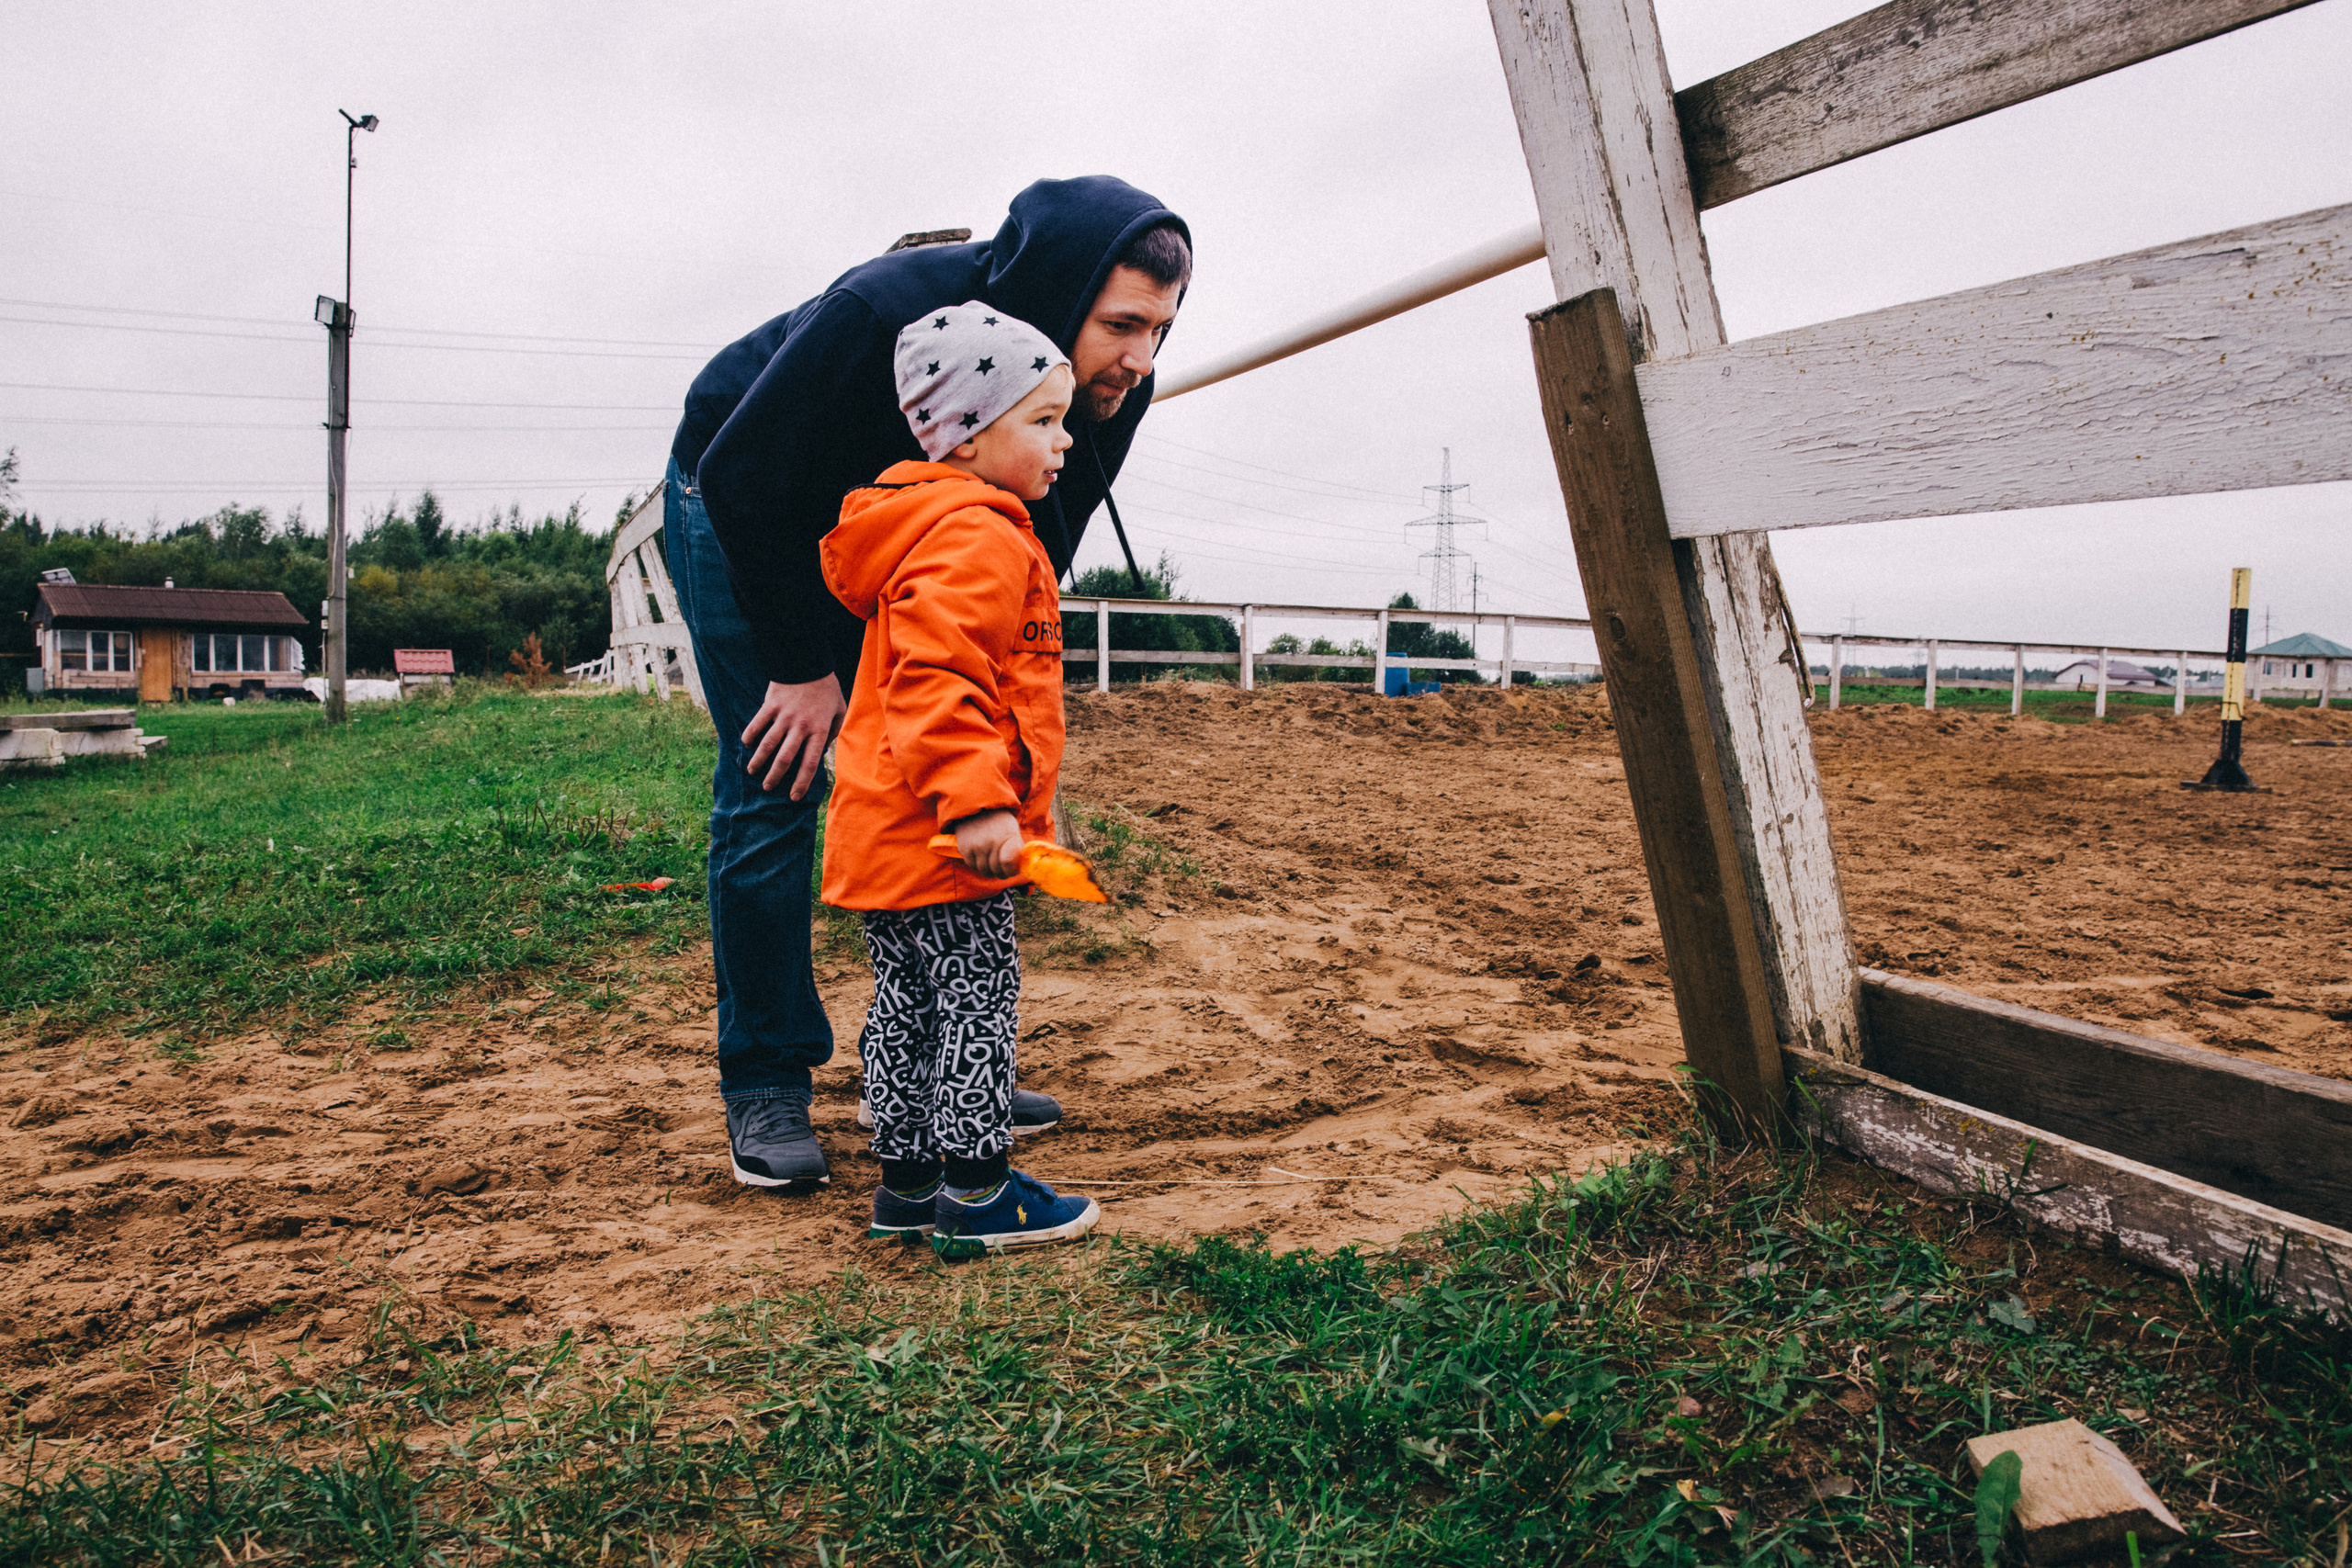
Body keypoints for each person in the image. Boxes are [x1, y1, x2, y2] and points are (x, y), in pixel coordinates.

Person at [664, 177, 1190, 1188]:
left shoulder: (1107, 388)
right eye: (1121, 323)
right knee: (781, 770)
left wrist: (1009, 749)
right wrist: (803, 668)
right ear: (1055, 289)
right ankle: (767, 1075)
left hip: (929, 532)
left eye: (1161, 329)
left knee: (924, 772)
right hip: (746, 497)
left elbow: (1032, 559)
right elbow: (747, 480)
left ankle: (932, 1073)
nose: (1141, 358)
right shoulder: (878, 311)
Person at [821, 303, 1099, 1257]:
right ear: (970, 436)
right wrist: (978, 802)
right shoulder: (978, 534)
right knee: (975, 994)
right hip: (941, 831)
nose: (1064, 442)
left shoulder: (921, 527)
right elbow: (941, 676)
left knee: (906, 1003)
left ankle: (904, 1187)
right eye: (1042, 420)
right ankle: (977, 1190)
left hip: (883, 827)